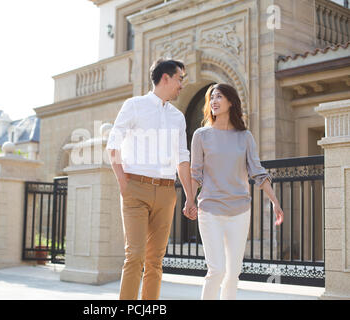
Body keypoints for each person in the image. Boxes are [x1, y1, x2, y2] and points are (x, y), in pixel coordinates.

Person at [106, 58, 196, 300]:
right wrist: (125, 185)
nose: (182, 85)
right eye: (180, 79)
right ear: (165, 78)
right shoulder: (134, 105)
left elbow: (182, 157)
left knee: (155, 260)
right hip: (136, 189)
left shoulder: (178, 117)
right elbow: (113, 145)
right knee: (134, 255)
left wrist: (189, 196)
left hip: (166, 193)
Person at [188, 83, 284, 300]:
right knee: (217, 270)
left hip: (240, 211)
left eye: (219, 96)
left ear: (231, 102)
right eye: (211, 97)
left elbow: (258, 172)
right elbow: (196, 174)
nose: (213, 101)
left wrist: (275, 202)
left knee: (233, 274)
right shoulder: (201, 136)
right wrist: (189, 201)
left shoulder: (245, 136)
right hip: (210, 210)